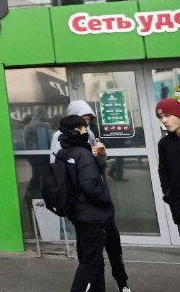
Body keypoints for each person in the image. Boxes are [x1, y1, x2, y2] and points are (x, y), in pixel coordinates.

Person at [50, 101, 130, 292]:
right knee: (91, 258)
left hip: (92, 204)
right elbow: (62, 168)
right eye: (83, 120)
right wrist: (103, 200)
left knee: (111, 247)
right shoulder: (61, 139)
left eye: (88, 120)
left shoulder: (88, 134)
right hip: (88, 206)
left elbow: (96, 164)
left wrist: (100, 154)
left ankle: (120, 284)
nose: (86, 125)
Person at [156, 98, 180, 236]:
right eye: (160, 117)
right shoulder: (164, 143)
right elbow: (163, 170)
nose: (164, 120)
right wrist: (168, 192)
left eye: (167, 115)